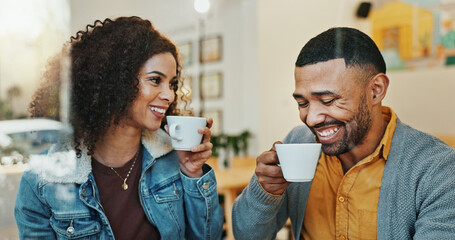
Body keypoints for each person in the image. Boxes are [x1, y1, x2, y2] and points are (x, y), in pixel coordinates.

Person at [232, 27, 455, 239]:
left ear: (376, 91)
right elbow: (248, 235)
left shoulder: (437, 170)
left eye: (328, 100)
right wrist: (265, 192)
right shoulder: (297, 143)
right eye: (302, 103)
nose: (311, 119)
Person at [15, 16, 224, 239]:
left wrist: (192, 173)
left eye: (172, 84)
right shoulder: (42, 181)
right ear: (116, 82)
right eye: (155, 80)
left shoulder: (175, 160)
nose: (169, 95)